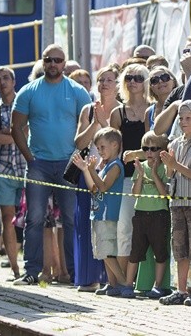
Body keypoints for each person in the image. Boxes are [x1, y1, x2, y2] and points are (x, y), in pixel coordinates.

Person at [11, 45, 92, 286]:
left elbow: (88, 129)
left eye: (57, 60)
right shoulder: (28, 91)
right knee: (34, 219)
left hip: (69, 163)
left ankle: (76, 273)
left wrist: (79, 159)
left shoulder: (77, 91)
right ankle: (31, 272)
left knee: (71, 219)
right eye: (48, 60)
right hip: (39, 164)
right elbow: (16, 127)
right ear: (43, 62)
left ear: (64, 63)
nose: (53, 64)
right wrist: (29, 157)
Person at [72, 66, 119, 293]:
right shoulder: (87, 109)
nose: (104, 84)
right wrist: (95, 123)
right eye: (100, 80)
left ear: (117, 84)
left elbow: (118, 143)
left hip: (110, 174)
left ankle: (112, 278)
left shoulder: (120, 110)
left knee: (109, 225)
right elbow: (79, 143)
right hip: (87, 172)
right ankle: (88, 278)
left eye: (109, 80)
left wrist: (107, 124)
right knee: (85, 225)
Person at [158, 100, 191, 306]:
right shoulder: (175, 143)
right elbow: (171, 174)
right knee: (179, 248)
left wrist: (175, 164)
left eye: (188, 118)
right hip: (177, 202)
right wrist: (170, 166)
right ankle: (181, 289)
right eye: (181, 118)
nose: (183, 122)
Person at [70, 127, 125, 295]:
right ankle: (112, 283)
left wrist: (93, 170)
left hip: (108, 215)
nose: (99, 151)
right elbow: (93, 188)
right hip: (98, 214)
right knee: (102, 251)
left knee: (107, 252)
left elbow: (103, 186)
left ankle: (123, 283)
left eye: (102, 147)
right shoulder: (106, 166)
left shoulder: (115, 166)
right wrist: (86, 170)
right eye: (98, 148)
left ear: (115, 145)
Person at [119, 132, 171, 299]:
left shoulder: (164, 167)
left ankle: (158, 286)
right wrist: (140, 175)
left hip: (159, 215)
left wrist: (155, 174)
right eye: (145, 149)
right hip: (141, 214)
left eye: (153, 149)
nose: (149, 152)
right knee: (136, 252)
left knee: (160, 252)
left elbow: (164, 194)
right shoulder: (141, 166)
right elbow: (135, 193)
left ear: (162, 151)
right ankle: (128, 284)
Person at [110, 63, 149, 279]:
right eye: (129, 78)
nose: (133, 81)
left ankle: (144, 278)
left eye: (138, 77)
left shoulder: (152, 110)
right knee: (124, 227)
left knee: (149, 229)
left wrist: (137, 155)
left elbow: (154, 145)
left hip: (150, 176)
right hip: (125, 176)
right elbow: (113, 149)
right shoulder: (118, 112)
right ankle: (125, 279)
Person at [0, 67, 26, 280]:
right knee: (7, 218)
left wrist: (7, 133)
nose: (2, 82)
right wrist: (17, 134)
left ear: (13, 80)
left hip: (26, 169)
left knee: (34, 219)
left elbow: (30, 132)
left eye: (5, 78)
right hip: (3, 169)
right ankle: (15, 268)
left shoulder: (25, 105)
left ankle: (33, 266)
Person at [145, 66, 178, 133]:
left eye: (165, 77)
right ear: (151, 88)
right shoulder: (149, 112)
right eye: (154, 80)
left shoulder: (181, 104)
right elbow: (147, 141)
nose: (160, 81)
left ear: (174, 82)